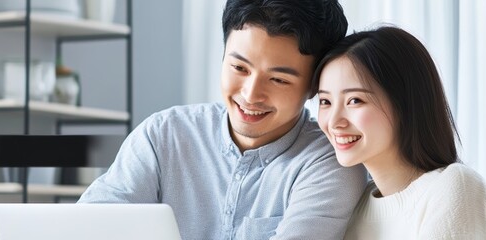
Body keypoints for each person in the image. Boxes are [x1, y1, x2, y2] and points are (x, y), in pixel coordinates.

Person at [78, 0, 367, 239]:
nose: (251, 95)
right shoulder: (164, 135)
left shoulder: (329, 162)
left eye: (278, 79)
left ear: (314, 86)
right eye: (239, 67)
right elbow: (88, 227)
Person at [313, 26, 486, 239]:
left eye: (355, 100)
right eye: (325, 102)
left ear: (405, 103)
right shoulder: (355, 208)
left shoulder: (452, 187)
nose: (334, 121)